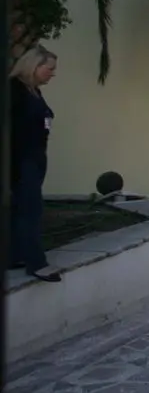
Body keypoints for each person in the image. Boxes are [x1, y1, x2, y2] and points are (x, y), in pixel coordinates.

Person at [9, 46, 62, 283]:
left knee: (18, 210)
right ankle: (36, 263)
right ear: (34, 66)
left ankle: (13, 256)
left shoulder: (33, 92)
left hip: (35, 158)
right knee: (30, 210)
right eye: (49, 69)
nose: (53, 74)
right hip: (21, 161)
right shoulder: (14, 91)